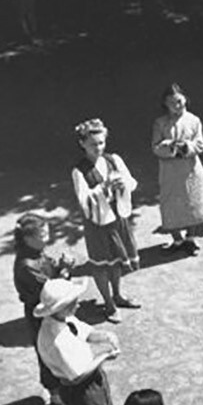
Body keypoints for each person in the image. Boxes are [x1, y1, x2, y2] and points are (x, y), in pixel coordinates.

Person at [71, 118, 140, 322]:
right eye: (93, 144)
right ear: (82, 144)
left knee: (117, 259)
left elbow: (132, 182)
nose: (99, 148)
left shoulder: (113, 160)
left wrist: (122, 184)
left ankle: (118, 294)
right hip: (97, 223)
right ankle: (108, 303)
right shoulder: (79, 170)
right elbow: (84, 199)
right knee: (101, 264)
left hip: (117, 216)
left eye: (101, 143)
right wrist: (103, 188)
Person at [12, 213, 74, 405]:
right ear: (28, 239)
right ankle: (57, 397)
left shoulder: (38, 254)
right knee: (48, 350)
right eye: (43, 234)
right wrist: (64, 271)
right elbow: (49, 289)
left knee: (61, 347)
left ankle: (65, 389)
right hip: (42, 313)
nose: (48, 237)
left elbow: (52, 270)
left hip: (53, 308)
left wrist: (61, 266)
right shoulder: (26, 266)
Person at [151, 83, 203, 254]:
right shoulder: (160, 123)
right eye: (172, 103)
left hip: (190, 169)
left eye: (180, 101)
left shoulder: (194, 120)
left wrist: (186, 147)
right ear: (165, 104)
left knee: (192, 202)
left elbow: (200, 144)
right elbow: (156, 147)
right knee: (171, 203)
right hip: (170, 171)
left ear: (185, 100)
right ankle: (177, 240)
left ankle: (191, 238)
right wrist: (171, 147)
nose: (177, 106)